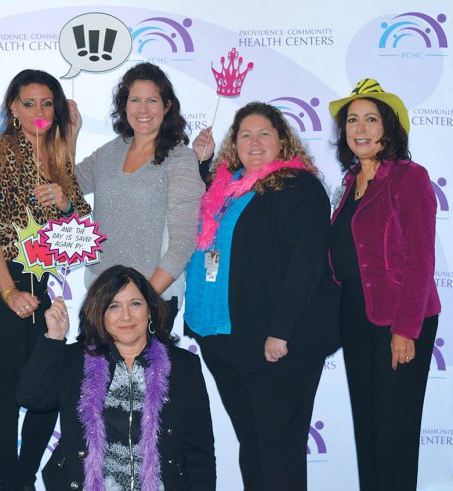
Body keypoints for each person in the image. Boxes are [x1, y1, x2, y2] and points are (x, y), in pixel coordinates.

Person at [184, 102, 340, 491]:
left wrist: (280, 331)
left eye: (264, 134)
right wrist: (202, 166)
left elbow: (305, 267)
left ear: (282, 140)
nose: (254, 143)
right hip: (225, 338)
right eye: (245, 135)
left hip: (275, 343)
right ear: (233, 144)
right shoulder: (227, 187)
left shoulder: (297, 187)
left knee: (278, 450)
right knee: (252, 445)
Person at [0, 69, 91, 491]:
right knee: (6, 393)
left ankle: (23, 480)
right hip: (8, 282)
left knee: (48, 388)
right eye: (29, 103)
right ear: (13, 108)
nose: (39, 112)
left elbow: (80, 234)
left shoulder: (59, 157)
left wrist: (65, 202)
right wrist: (7, 291)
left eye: (47, 103)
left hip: (50, 284)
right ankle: (13, 482)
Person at [328, 79, 440, 491]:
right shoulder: (350, 182)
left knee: (394, 434)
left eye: (371, 119)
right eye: (352, 120)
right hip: (356, 315)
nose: (360, 128)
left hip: (399, 317)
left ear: (389, 128)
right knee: (368, 431)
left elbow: (420, 262)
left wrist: (405, 329)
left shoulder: (409, 178)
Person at [18, 265, 216, 490]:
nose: (126, 316)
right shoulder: (76, 360)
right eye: (114, 306)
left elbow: (201, 453)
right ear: (99, 313)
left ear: (150, 310)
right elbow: (30, 397)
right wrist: (53, 338)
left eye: (135, 303)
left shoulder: (183, 365)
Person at [75, 62, 204, 326]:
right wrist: (69, 136)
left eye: (151, 100)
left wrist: (141, 301)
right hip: (102, 297)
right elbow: (67, 187)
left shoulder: (180, 159)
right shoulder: (109, 152)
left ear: (167, 106)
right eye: (135, 100)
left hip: (154, 300)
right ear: (124, 105)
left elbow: (183, 243)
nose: (142, 109)